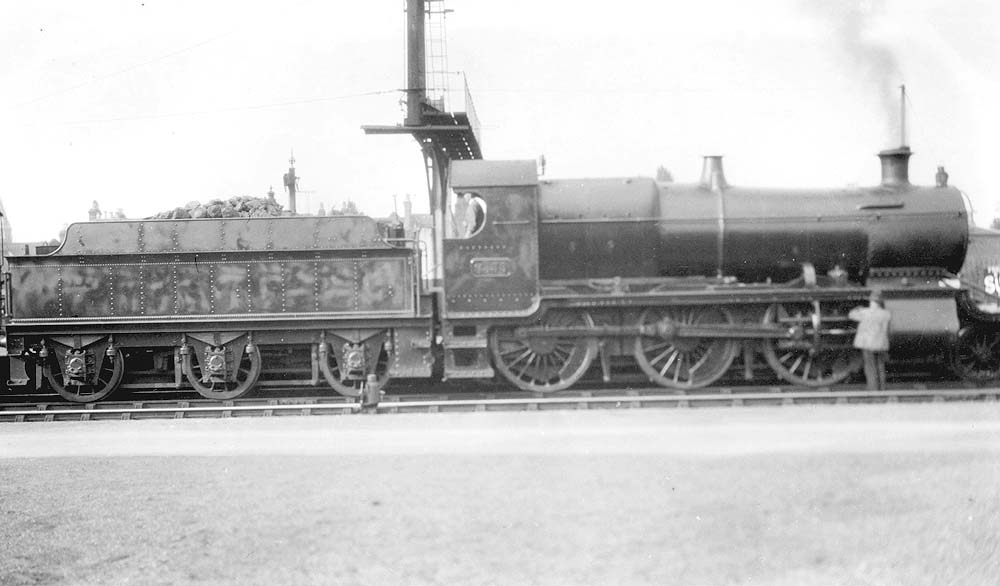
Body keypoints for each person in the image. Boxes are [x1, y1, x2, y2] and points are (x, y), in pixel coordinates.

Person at [849, 292, 891, 390]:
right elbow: (886, 330)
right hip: (880, 344)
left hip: (868, 344)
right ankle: (882, 388)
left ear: (871, 302)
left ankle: (872, 388)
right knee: (880, 366)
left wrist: (857, 308)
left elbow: (851, 315)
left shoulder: (864, 312)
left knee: (870, 367)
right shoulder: (886, 314)